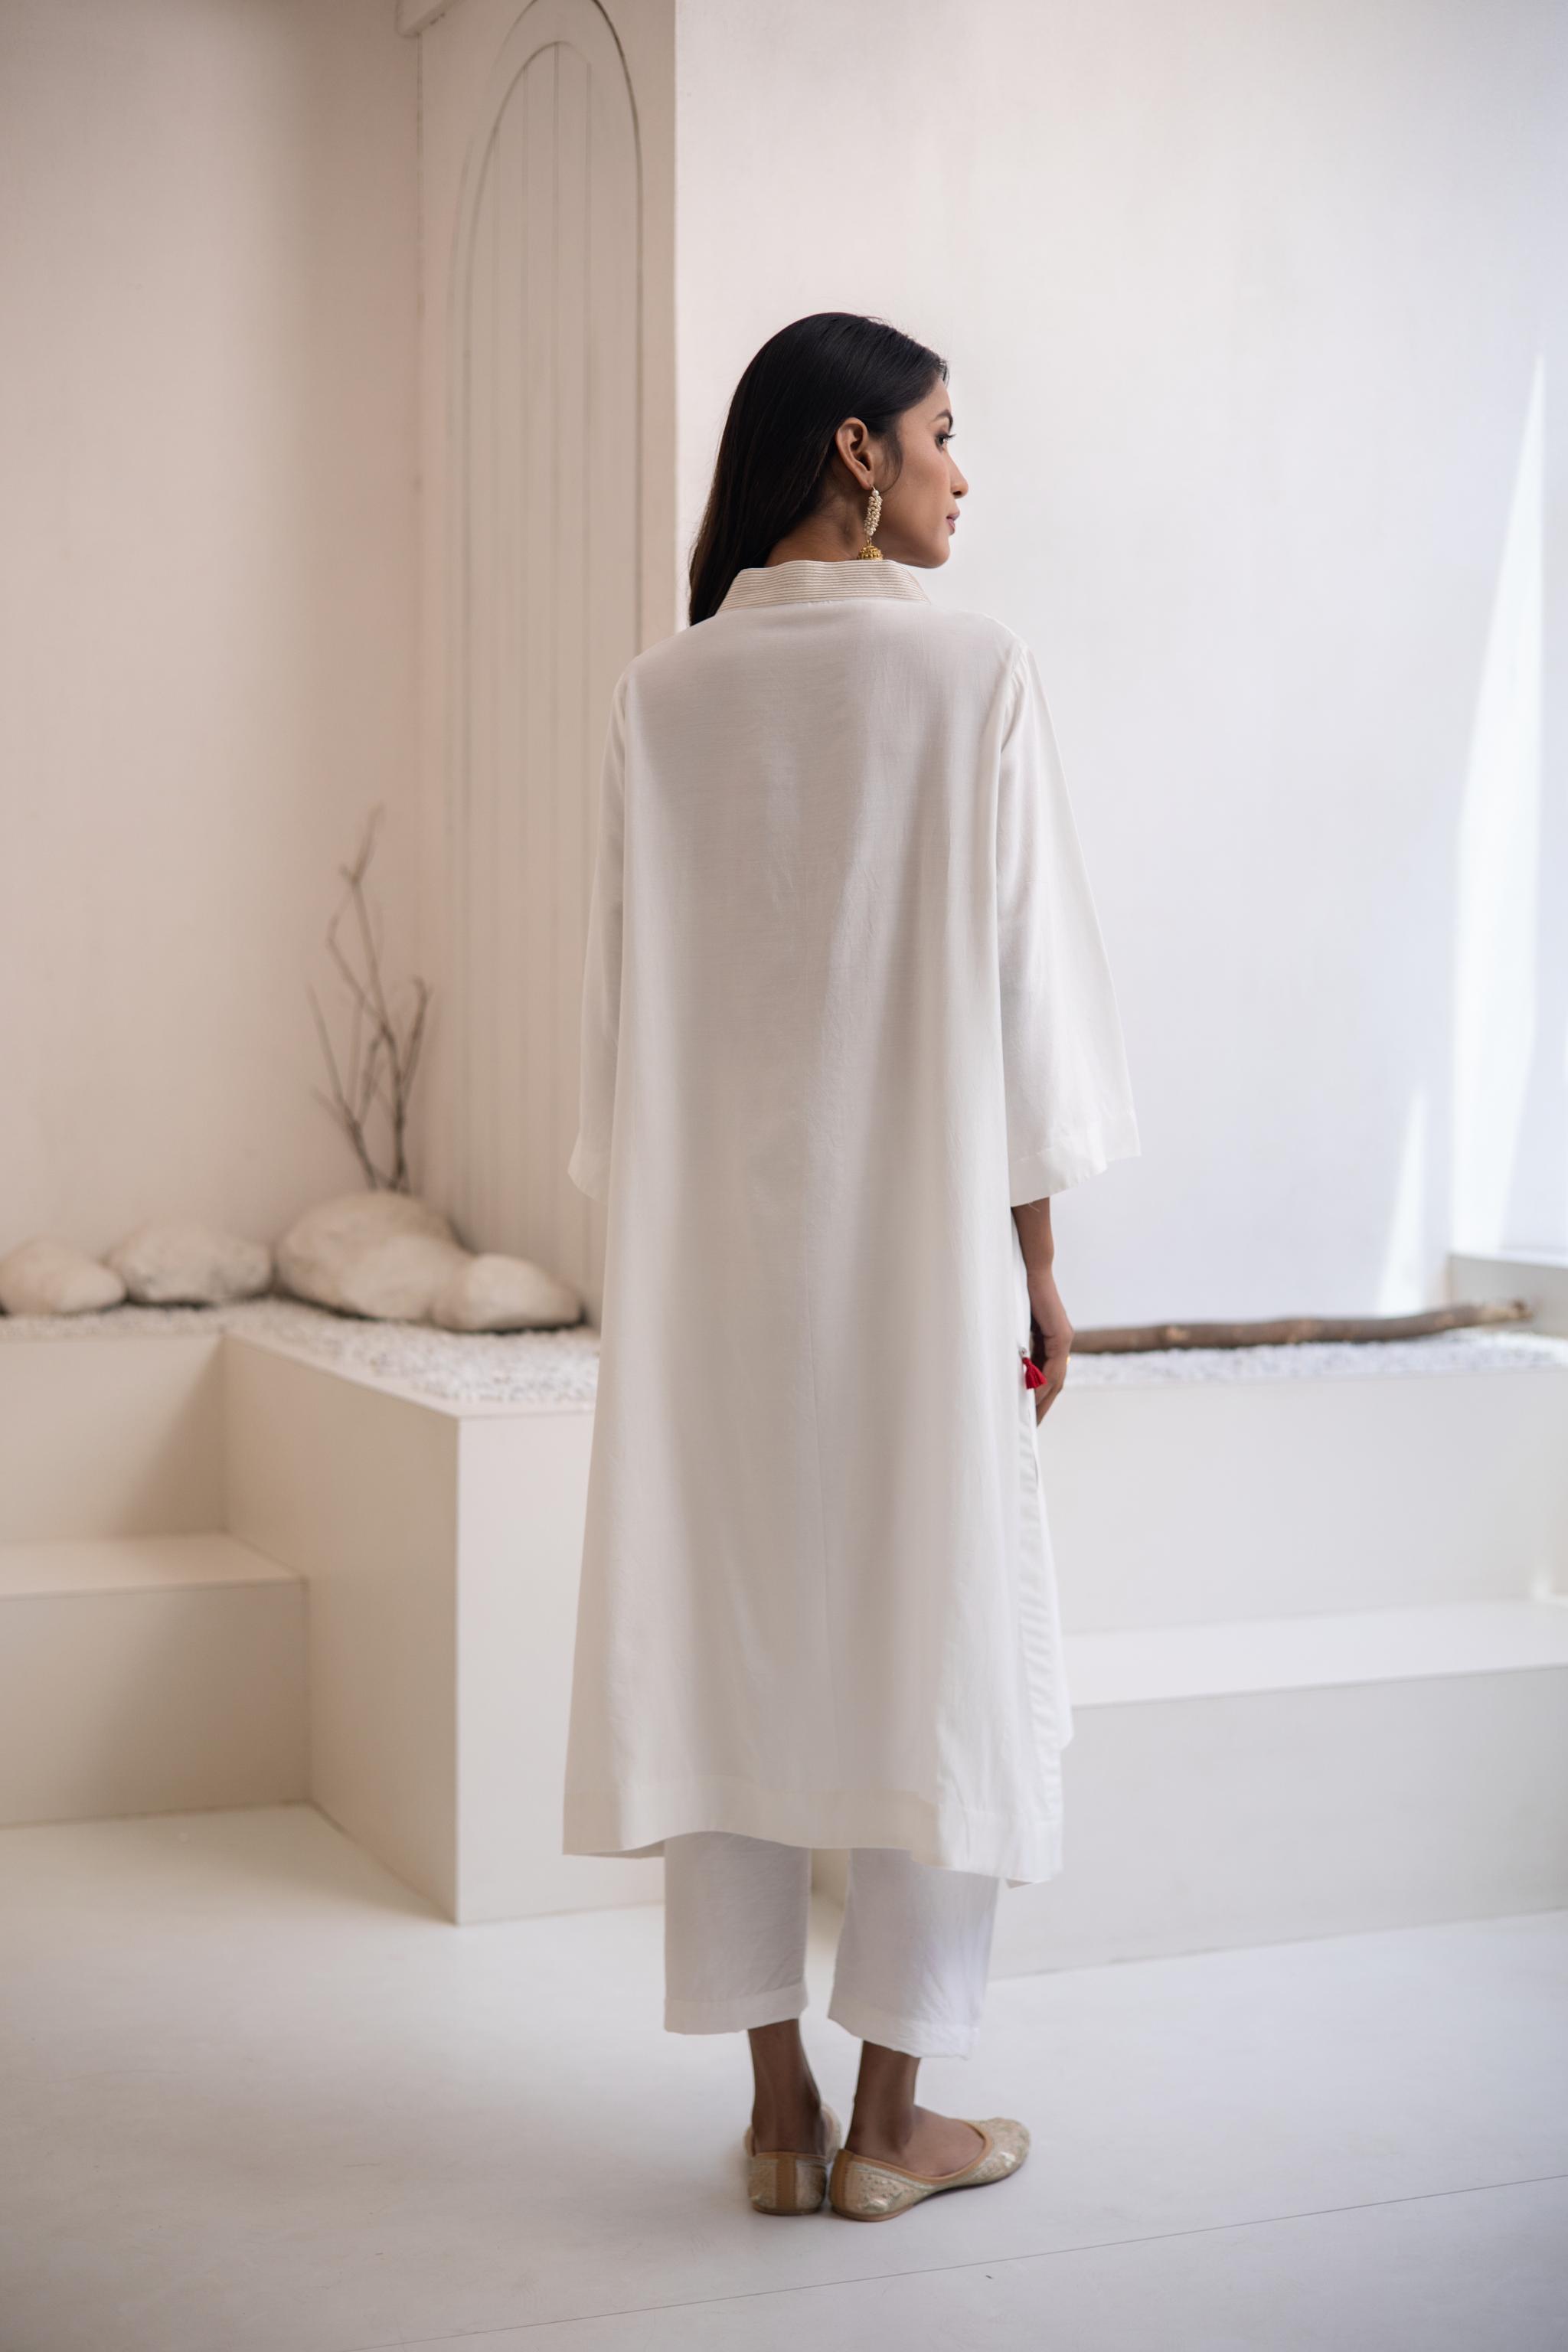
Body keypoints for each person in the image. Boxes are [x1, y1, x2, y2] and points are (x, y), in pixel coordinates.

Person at [563, 312, 1140, 2221]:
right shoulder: (971, 670)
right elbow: (1025, 1010)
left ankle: (776, 2115)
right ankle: (896, 2124)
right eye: (944, 433)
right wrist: (1038, 1265)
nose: (966, 474)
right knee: (941, 1637)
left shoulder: (662, 694)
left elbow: (619, 1031)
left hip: (710, 1278)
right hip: (916, 1264)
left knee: (723, 1636)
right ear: (856, 453)